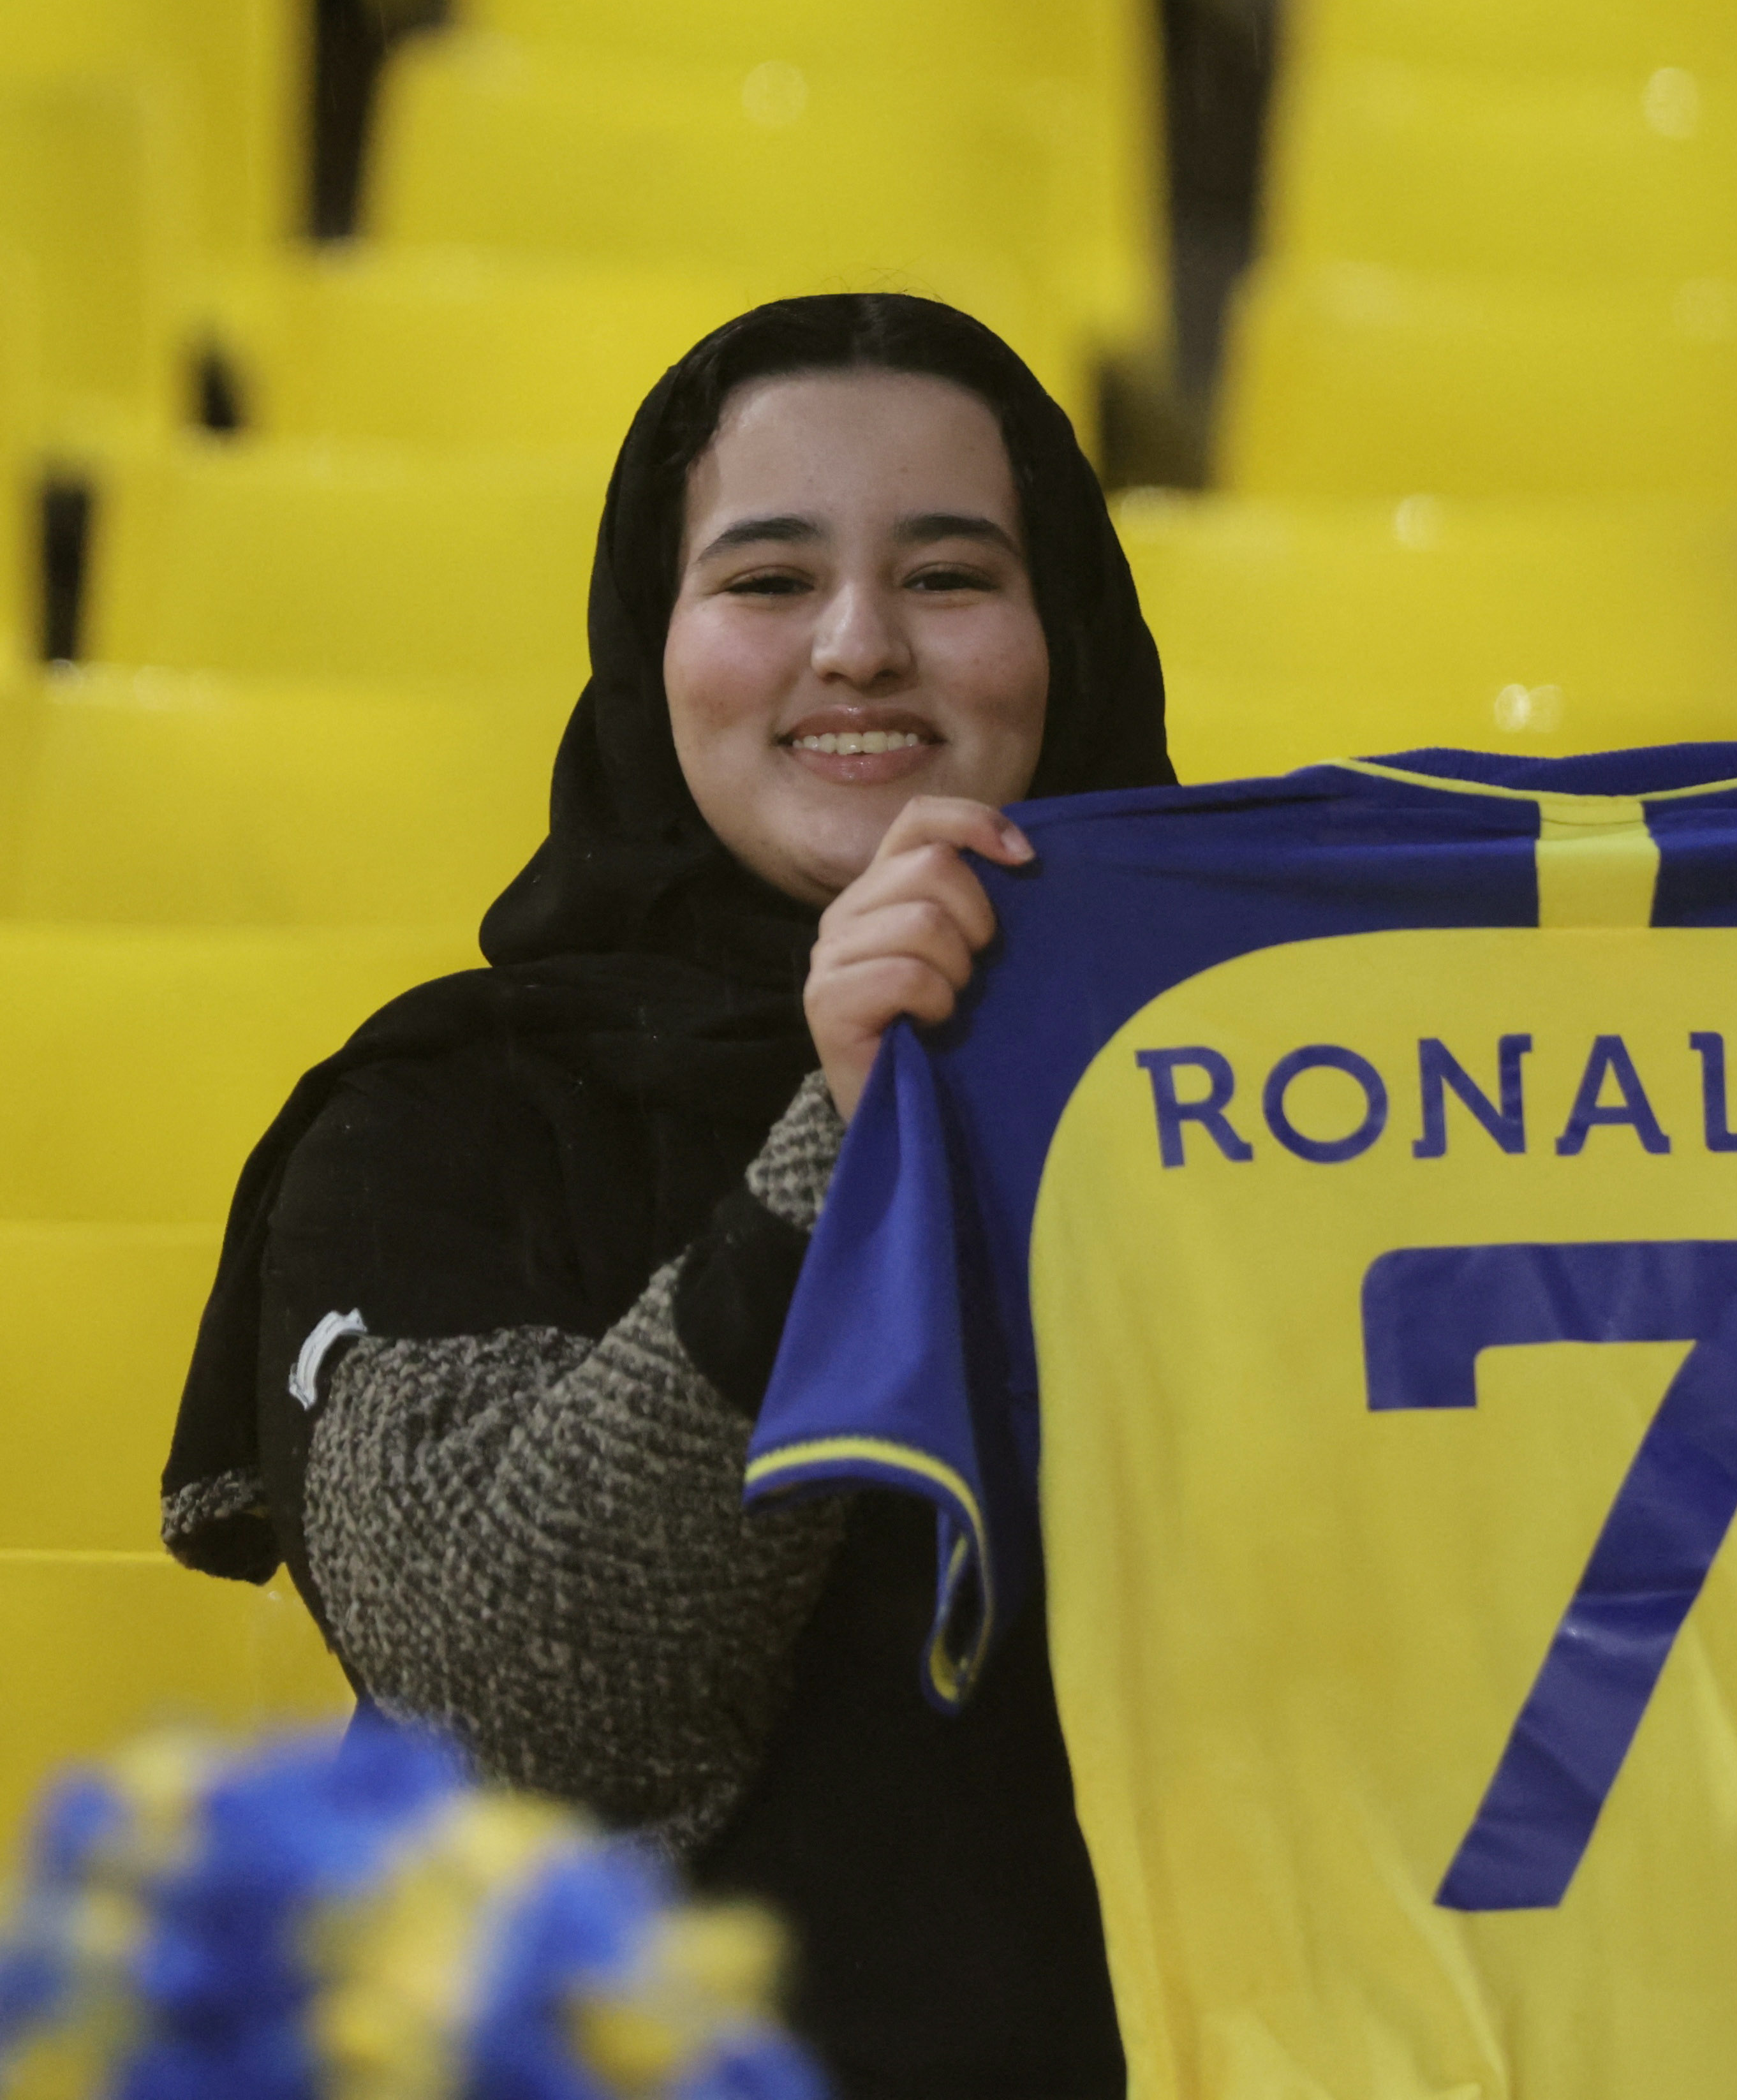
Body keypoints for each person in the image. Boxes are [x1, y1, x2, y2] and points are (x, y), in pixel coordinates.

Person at [160, 293, 1170, 2097]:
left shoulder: (1247, 1087)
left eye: (949, 575)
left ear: (1064, 633)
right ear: (652, 642)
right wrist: (847, 1131)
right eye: (766, 580)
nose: (857, 646)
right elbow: (519, 1697)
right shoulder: (436, 1125)